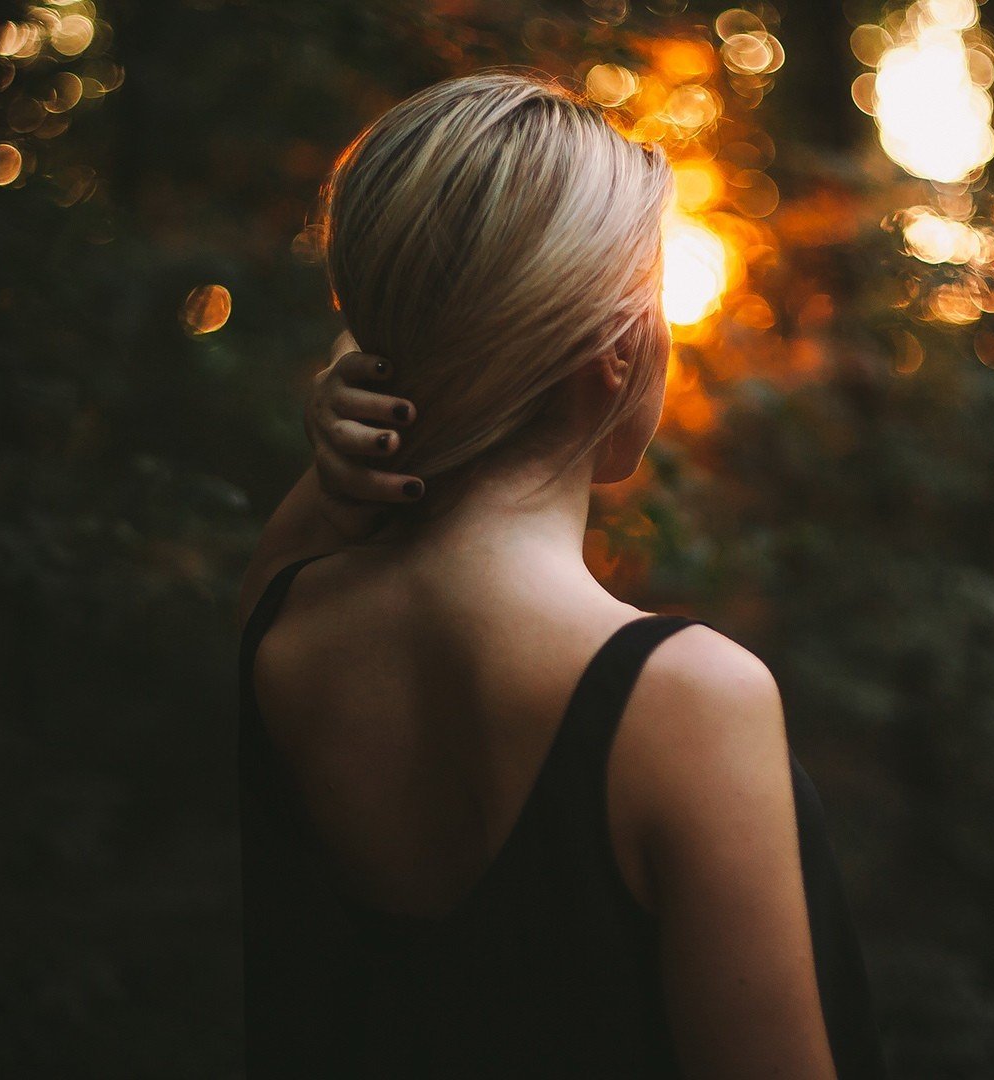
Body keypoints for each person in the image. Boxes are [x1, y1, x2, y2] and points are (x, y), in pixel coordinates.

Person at [237, 71, 886, 1078]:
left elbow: (292, 548)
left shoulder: (285, 630)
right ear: (619, 354)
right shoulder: (684, 700)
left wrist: (350, 445)